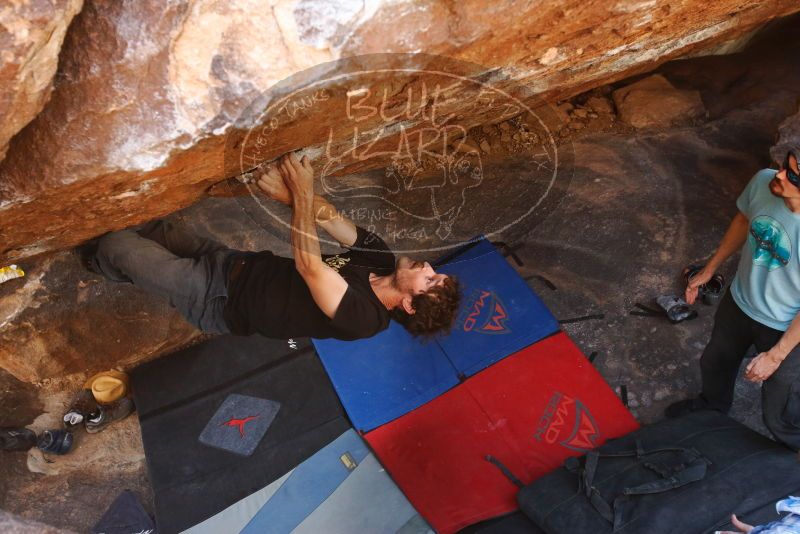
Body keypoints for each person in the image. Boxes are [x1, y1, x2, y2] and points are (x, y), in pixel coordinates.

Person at [90, 152, 461, 341]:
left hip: (218, 300)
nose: (429, 268)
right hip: (235, 263)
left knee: (117, 245)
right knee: (153, 229)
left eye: (429, 282)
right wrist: (291, 195)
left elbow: (310, 266)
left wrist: (300, 190)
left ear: (409, 304)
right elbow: (330, 218)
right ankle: (118, 262)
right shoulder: (381, 257)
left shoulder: (365, 319)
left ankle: (99, 263)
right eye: (437, 273)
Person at [666, 149, 800, 451]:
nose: (778, 175)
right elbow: (743, 219)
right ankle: (712, 406)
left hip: (786, 326)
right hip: (740, 301)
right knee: (716, 360)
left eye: (792, 176)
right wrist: (709, 269)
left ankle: (793, 448)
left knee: (780, 403)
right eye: (783, 167)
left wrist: (775, 356)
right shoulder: (764, 182)